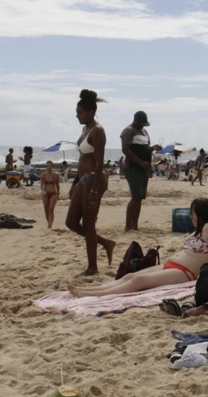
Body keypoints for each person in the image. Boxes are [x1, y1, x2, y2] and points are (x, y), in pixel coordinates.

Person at [69, 198, 208, 296]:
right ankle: (91, 289)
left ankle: (93, 295)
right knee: (131, 276)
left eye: (192, 213)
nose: (190, 216)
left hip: (185, 273)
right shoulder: (197, 232)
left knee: (139, 281)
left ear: (201, 214)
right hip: (171, 266)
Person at [65, 89, 116, 275]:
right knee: (71, 222)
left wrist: (94, 189)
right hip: (84, 179)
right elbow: (83, 158)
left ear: (90, 112)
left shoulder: (98, 130)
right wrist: (75, 182)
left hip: (95, 179)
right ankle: (106, 243)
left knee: (88, 224)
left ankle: (93, 267)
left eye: (80, 112)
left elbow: (100, 162)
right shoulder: (85, 129)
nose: (77, 116)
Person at [120, 111, 153, 232]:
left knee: (140, 198)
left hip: (144, 168)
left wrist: (153, 148)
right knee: (135, 197)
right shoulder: (128, 131)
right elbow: (126, 150)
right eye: (141, 123)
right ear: (136, 120)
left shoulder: (144, 131)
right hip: (133, 168)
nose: (142, 126)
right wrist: (141, 162)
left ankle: (135, 225)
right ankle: (128, 226)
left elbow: (146, 148)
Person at [40, 160, 61, 229]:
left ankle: (49, 226)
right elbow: (41, 185)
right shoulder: (43, 175)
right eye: (47, 166)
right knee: (46, 210)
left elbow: (57, 185)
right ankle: (49, 223)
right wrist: (42, 191)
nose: (48, 167)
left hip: (53, 193)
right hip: (45, 194)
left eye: (50, 166)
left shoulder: (56, 175)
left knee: (51, 209)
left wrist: (58, 193)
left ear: (52, 166)